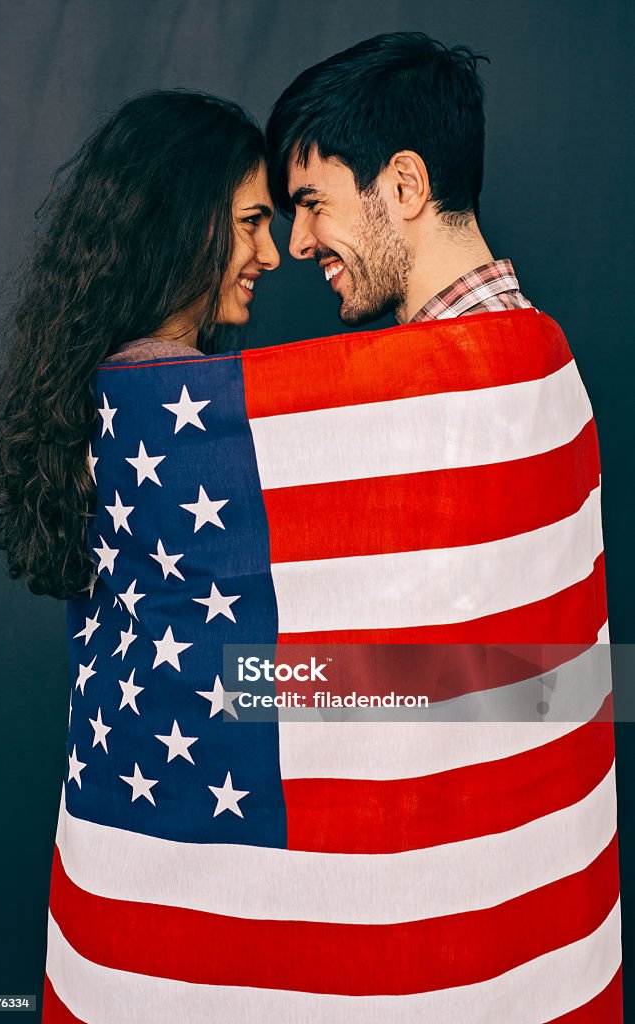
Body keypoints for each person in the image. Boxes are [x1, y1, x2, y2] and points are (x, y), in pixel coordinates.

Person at [265, 30, 623, 1020]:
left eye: (313, 203)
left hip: (460, 925)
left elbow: (486, 691)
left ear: (405, 184)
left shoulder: (470, 397)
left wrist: (233, 685)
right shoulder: (541, 365)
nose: (298, 245)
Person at [0, 88, 279, 600]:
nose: (270, 255)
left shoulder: (100, 383)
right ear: (179, 220)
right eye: (251, 222)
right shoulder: (180, 398)